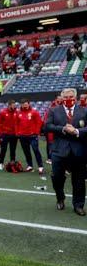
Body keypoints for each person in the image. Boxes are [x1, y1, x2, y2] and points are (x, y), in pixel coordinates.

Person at [43, 88, 86, 216]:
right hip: (59, 150)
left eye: (71, 96)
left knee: (79, 180)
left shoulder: (84, 110)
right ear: (62, 98)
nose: (68, 99)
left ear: (76, 97)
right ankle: (60, 198)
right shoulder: (54, 110)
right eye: (66, 96)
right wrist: (63, 129)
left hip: (78, 151)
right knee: (57, 178)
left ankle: (78, 205)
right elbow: (47, 126)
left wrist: (77, 131)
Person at [16, 99, 44, 174]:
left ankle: (40, 166)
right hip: (22, 136)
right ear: (21, 105)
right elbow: (17, 123)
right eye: (23, 104)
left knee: (36, 150)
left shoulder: (34, 112)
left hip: (32, 135)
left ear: (28, 104)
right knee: (26, 151)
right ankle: (30, 165)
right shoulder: (18, 113)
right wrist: (18, 132)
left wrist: (37, 132)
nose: (24, 105)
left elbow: (39, 123)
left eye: (26, 104)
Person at [0, 100, 18, 170]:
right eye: (13, 105)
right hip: (5, 134)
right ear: (9, 105)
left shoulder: (17, 112)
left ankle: (12, 163)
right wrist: (0, 133)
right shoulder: (3, 112)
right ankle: (0, 163)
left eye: (14, 105)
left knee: (13, 150)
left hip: (14, 134)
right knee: (3, 149)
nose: (14, 106)